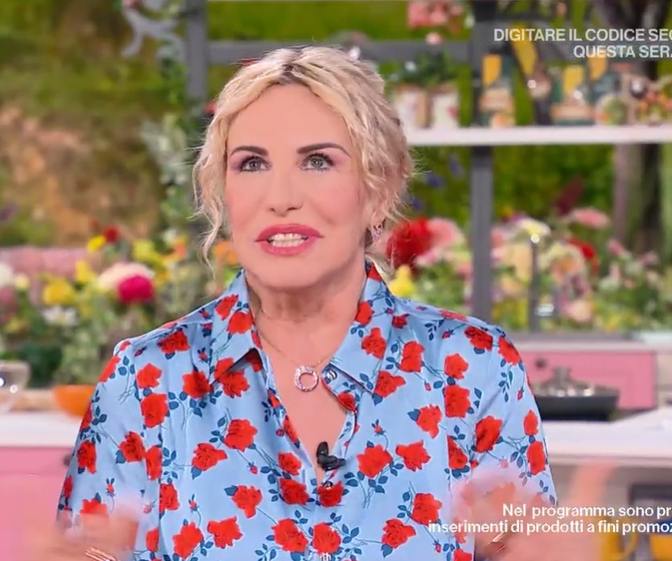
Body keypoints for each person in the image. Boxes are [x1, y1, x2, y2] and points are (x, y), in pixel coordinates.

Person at [32, 46, 606, 561]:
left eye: (317, 161)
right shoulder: (147, 379)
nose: (281, 197)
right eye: (252, 163)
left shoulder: (472, 368)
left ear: (379, 190)